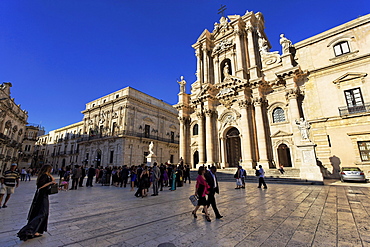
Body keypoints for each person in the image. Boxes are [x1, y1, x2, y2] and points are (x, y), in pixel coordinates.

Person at [17, 164, 56, 241]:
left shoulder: (45, 175)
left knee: (42, 213)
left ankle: (37, 230)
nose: (52, 170)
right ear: (48, 169)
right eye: (51, 169)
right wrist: (50, 183)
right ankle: (29, 230)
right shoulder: (44, 176)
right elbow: (40, 186)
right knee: (42, 213)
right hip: (42, 196)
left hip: (44, 195)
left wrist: (50, 177)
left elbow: (53, 180)